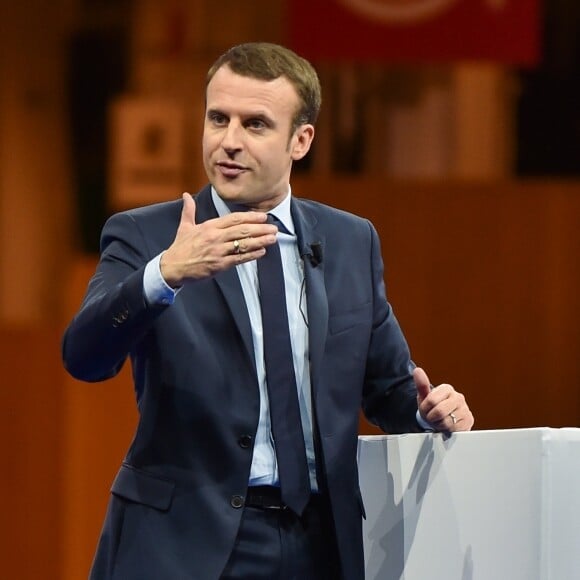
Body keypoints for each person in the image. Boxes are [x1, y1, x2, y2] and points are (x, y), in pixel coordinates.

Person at [62, 42, 474, 580]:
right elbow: (84, 356)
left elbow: (390, 388)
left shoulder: (350, 241)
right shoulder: (148, 235)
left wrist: (429, 413)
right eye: (217, 118)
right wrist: (166, 273)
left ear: (300, 140)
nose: (228, 142)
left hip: (319, 545)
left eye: (255, 124)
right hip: (185, 545)